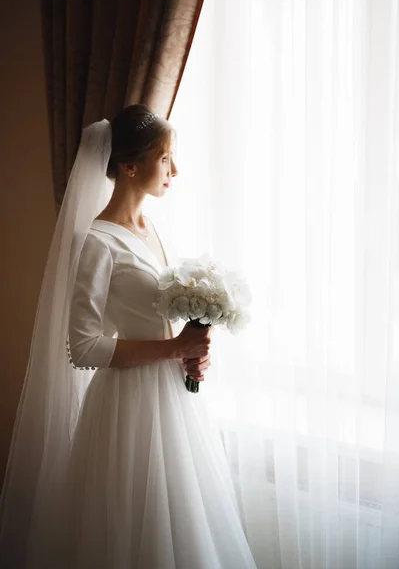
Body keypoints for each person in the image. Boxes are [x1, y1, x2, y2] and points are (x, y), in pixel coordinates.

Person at [0, 104, 257, 568]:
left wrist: (192, 350)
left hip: (174, 397)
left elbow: (160, 316)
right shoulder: (98, 240)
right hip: (127, 406)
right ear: (129, 165)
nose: (174, 170)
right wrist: (173, 347)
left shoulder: (152, 228)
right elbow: (83, 346)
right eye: (165, 159)